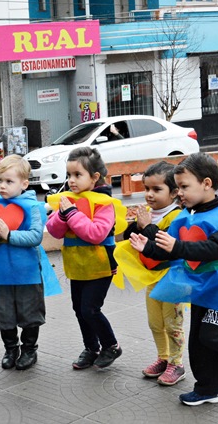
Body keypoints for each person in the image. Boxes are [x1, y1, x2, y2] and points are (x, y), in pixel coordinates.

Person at [128, 153, 218, 407]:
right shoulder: (185, 217)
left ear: (207, 184)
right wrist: (147, 245)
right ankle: (208, 389)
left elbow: (213, 250)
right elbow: (166, 250)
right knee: (199, 342)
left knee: (217, 336)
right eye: (178, 187)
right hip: (201, 287)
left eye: (184, 186)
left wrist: (176, 246)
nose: (179, 192)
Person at [46, 147, 128, 370]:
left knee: (90, 308)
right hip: (77, 263)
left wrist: (71, 213)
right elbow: (54, 230)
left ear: (94, 178)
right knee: (78, 308)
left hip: (100, 264)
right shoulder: (68, 200)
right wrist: (63, 214)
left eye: (77, 175)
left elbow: (96, 233)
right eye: (69, 175)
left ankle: (111, 345)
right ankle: (91, 348)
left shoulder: (104, 203)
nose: (71, 181)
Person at [0, 155, 61, 371]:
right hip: (3, 272)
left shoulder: (32, 206)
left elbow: (35, 237)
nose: (2, 186)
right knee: (3, 312)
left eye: (9, 181)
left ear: (24, 184)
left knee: (29, 311)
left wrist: (8, 235)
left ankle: (29, 350)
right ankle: (10, 349)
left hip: (28, 271)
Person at [116, 161, 185, 386]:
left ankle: (177, 363)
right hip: (152, 279)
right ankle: (163, 358)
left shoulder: (176, 217)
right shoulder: (148, 215)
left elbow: (165, 247)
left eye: (157, 189)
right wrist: (135, 226)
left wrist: (146, 227)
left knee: (173, 323)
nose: (149, 195)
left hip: (173, 280)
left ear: (174, 192)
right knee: (155, 323)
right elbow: (130, 239)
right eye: (146, 189)